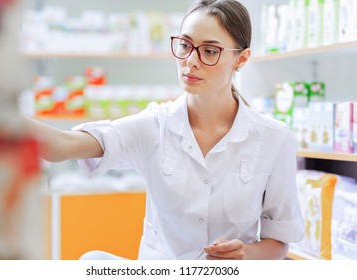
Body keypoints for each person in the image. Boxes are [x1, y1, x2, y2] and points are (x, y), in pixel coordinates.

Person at [29, 0, 304, 260]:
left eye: (209, 51)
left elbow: (279, 243)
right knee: (91, 261)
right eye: (185, 45)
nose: (190, 61)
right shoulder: (155, 125)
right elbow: (61, 145)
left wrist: (244, 254)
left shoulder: (273, 138)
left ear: (241, 60)